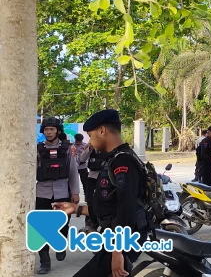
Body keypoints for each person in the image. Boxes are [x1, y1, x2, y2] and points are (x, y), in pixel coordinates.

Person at [53, 109, 148, 277]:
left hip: (123, 241)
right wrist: (77, 209)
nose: (90, 140)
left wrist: (118, 252)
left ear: (102, 130)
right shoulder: (115, 158)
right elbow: (109, 209)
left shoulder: (123, 161)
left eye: (90, 135)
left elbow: (126, 208)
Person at [35, 117, 80, 274]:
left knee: (63, 223)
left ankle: (60, 242)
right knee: (41, 228)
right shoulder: (37, 148)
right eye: (46, 129)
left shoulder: (68, 148)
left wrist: (75, 192)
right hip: (42, 192)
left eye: (52, 129)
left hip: (62, 191)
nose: (49, 132)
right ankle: (44, 261)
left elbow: (74, 171)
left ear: (58, 131)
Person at [78, 144, 103, 233]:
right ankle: (91, 224)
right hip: (93, 176)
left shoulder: (110, 146)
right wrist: (90, 148)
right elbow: (81, 159)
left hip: (107, 177)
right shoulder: (90, 147)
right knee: (90, 201)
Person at [74, 133, 90, 204]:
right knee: (73, 182)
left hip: (83, 166)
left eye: (79, 141)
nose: (78, 142)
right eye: (77, 141)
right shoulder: (72, 146)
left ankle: (87, 196)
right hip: (74, 167)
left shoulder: (85, 145)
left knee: (85, 182)